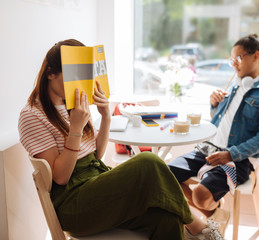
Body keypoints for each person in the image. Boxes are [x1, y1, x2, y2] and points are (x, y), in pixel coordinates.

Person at [18, 39, 196, 240]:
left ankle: (192, 226)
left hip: (96, 186)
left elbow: (97, 156)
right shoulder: (33, 115)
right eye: (71, 74)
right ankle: (197, 226)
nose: (77, 82)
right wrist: (75, 128)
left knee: (166, 217)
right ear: (50, 73)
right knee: (149, 162)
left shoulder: (73, 104)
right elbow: (60, 177)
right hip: (73, 204)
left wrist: (106, 116)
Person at [168, 34, 259, 240]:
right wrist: (214, 105)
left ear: (256, 56)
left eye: (238, 58)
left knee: (200, 195)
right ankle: (216, 216)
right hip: (208, 148)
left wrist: (231, 154)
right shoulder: (234, 86)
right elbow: (222, 122)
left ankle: (206, 217)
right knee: (164, 174)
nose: (234, 64)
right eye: (232, 59)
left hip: (238, 158)